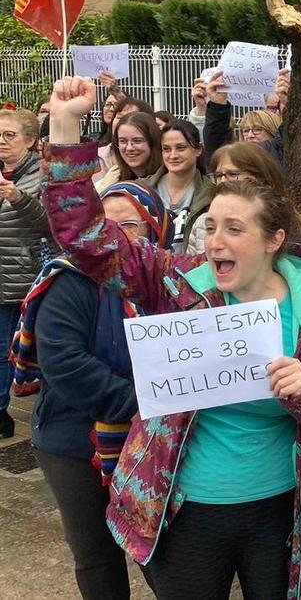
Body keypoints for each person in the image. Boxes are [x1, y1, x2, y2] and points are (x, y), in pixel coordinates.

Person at [43, 75, 301, 599]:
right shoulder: (175, 282)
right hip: (185, 508)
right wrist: (65, 127)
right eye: (212, 225)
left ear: (273, 240)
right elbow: (86, 240)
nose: (216, 240)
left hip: (282, 514)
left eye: (235, 230)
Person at [25, 181, 170, 600]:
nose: (116, 234)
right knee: (96, 554)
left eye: (131, 223)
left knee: (159, 552)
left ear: (155, 230)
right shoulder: (69, 279)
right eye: (104, 223)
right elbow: (64, 363)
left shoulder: (168, 282)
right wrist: (142, 403)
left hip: (153, 439)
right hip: (73, 439)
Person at [0, 109, 54, 438]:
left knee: (12, 348)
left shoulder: (43, 176)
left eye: (9, 136)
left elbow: (50, 225)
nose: (2, 143)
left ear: (31, 140)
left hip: (23, 275)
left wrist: (18, 198)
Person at [185, 142, 286, 255]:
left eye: (232, 174)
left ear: (259, 176)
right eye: (218, 176)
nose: (222, 181)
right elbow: (189, 266)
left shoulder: (281, 221)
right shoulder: (202, 221)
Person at [142, 120, 212, 253]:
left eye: (180, 148)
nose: (173, 155)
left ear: (198, 149)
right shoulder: (142, 189)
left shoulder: (211, 192)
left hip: (189, 271)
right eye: (166, 149)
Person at [202, 72, 284, 165]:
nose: (250, 135)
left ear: (273, 131)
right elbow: (217, 146)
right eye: (245, 131)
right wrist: (218, 105)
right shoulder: (236, 160)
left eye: (257, 130)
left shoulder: (284, 157)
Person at [96, 111, 164, 192]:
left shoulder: (169, 181)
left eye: (137, 141)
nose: (129, 148)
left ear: (153, 141)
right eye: (123, 141)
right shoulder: (110, 180)